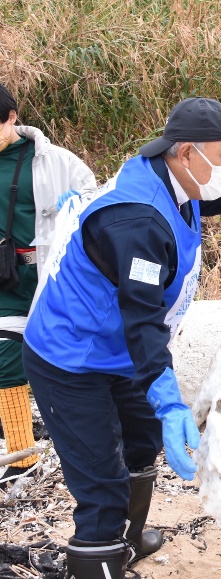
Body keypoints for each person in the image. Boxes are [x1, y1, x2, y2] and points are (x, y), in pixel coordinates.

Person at [21, 97, 221, 579]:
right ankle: (98, 555)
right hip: (73, 357)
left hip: (121, 350)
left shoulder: (175, 177)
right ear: (187, 151)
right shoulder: (137, 221)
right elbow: (142, 322)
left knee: (141, 441)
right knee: (101, 482)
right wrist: (172, 404)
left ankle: (126, 543)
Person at [0, 83, 96, 489]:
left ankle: (90, 445)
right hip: (3, 280)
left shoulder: (54, 162)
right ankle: (23, 457)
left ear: (12, 117)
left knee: (64, 362)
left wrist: (78, 206)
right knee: (5, 361)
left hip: (44, 276)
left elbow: (95, 202)